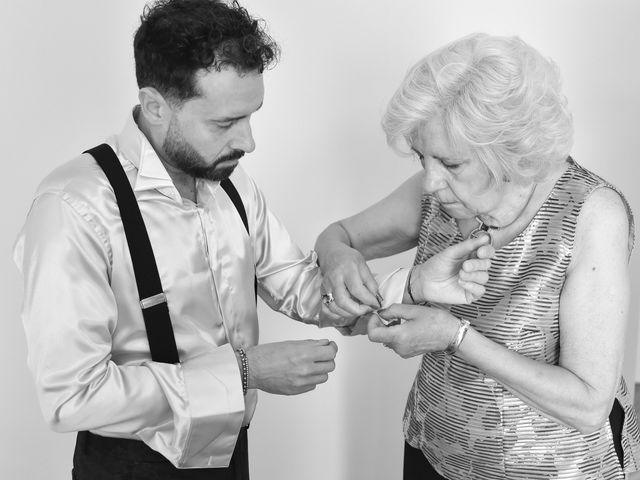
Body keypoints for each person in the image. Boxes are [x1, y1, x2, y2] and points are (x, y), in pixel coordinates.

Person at [13, 2, 493, 479]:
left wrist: (413, 285)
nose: (248, 141)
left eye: (250, 116)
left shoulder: (232, 184)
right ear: (156, 106)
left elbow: (298, 285)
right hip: (128, 467)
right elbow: (71, 397)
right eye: (225, 123)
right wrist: (245, 372)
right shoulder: (73, 207)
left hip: (231, 455)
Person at [315, 33, 640, 479]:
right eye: (420, 156)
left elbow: (588, 404)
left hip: (552, 468)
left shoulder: (591, 213)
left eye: (450, 164)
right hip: (432, 451)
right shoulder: (434, 193)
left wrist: (454, 337)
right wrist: (334, 256)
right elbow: (339, 235)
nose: (429, 181)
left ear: (509, 151)